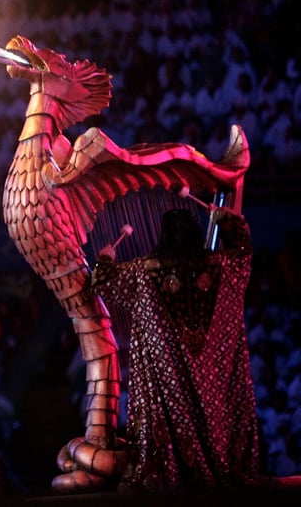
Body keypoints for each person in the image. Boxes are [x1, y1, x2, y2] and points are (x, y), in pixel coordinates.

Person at [90, 206, 267, 492]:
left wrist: (104, 259)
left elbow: (102, 280)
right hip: (213, 382)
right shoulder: (223, 267)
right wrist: (227, 221)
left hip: (167, 384)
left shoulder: (143, 273)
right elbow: (244, 251)